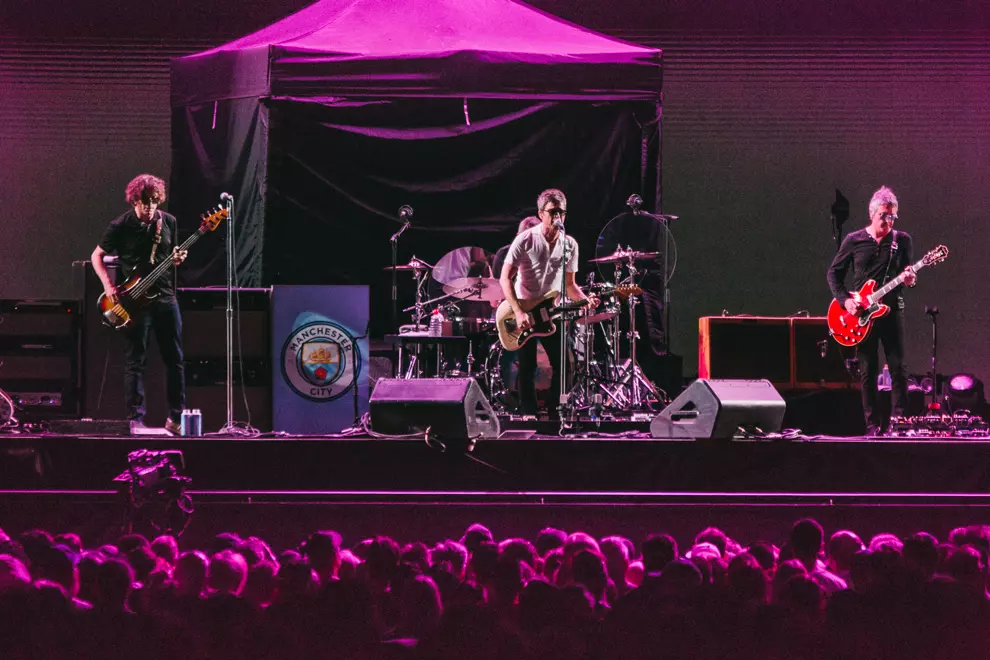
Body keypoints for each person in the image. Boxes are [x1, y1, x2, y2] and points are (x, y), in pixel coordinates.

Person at [91, 174, 188, 434]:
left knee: (175, 359)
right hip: (134, 301)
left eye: (155, 202)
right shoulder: (120, 225)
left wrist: (177, 259)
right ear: (135, 201)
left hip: (166, 297)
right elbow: (97, 256)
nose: (151, 208)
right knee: (136, 360)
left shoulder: (169, 222)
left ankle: (177, 417)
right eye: (146, 203)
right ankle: (135, 418)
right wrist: (108, 287)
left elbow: (172, 254)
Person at [499, 190, 597, 417]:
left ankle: (555, 412)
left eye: (562, 212)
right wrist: (517, 310)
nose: (558, 217)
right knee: (527, 367)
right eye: (553, 212)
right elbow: (505, 277)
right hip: (525, 310)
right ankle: (528, 413)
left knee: (566, 365)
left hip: (552, 311)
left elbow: (570, 285)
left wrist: (584, 301)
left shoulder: (570, 244)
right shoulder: (525, 239)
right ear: (541, 213)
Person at [827, 186, 916, 435]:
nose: (888, 221)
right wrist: (845, 301)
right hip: (862, 316)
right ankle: (872, 426)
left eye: (892, 217)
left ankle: (900, 424)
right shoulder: (854, 240)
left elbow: (909, 274)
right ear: (872, 213)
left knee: (898, 368)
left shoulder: (902, 240)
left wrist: (910, 279)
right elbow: (833, 273)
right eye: (884, 216)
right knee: (868, 370)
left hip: (892, 310)